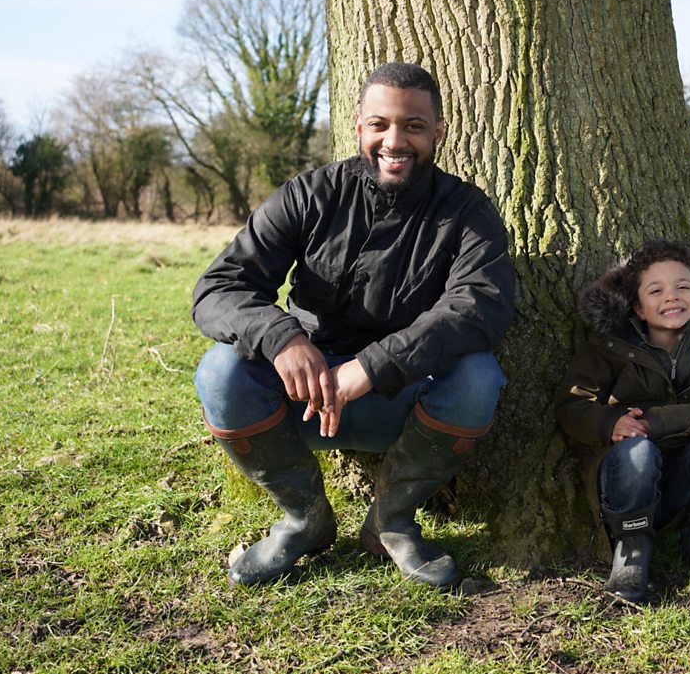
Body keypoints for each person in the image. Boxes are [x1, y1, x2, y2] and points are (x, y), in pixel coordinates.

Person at [192, 62, 516, 589]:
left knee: (479, 375)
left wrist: (374, 365)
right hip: (301, 402)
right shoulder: (308, 195)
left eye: (413, 126)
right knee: (220, 372)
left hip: (403, 402)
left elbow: (481, 307)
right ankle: (303, 518)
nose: (396, 140)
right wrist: (282, 338)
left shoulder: (468, 212)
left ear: (438, 132)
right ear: (358, 125)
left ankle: (392, 522)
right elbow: (219, 287)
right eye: (380, 124)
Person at [555, 240, 690, 602]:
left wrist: (657, 422)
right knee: (638, 453)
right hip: (627, 473)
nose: (671, 297)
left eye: (682, 287)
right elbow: (573, 405)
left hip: (684, 472)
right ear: (638, 308)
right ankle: (632, 549)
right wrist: (610, 422)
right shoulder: (608, 347)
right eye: (656, 290)